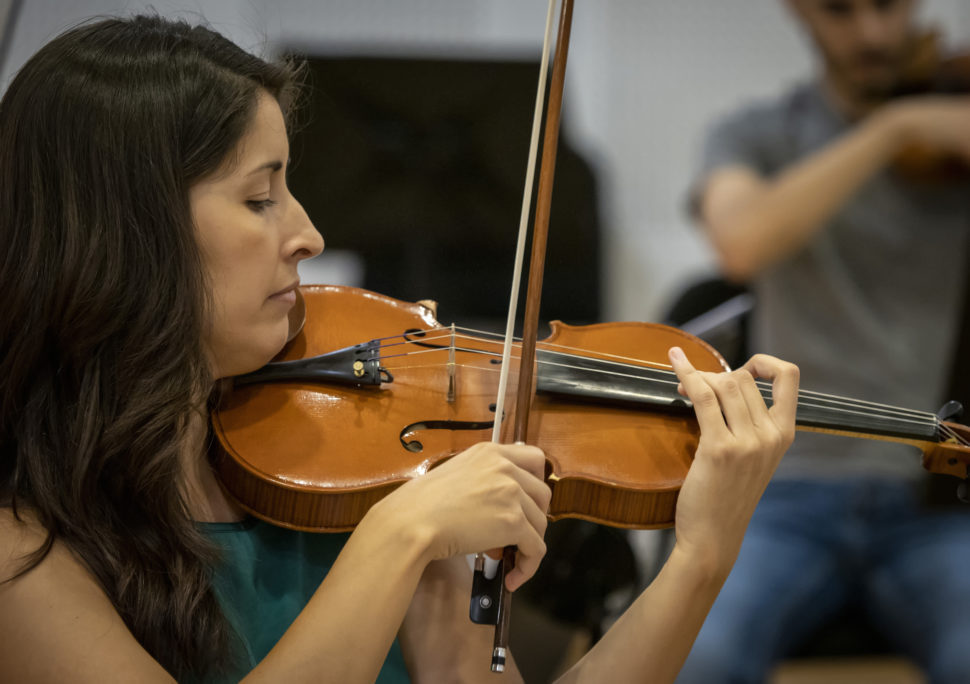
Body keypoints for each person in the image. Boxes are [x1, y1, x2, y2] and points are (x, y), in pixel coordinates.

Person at [0, 14, 799, 684]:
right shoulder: (21, 554)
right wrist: (401, 535)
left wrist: (700, 556)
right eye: (258, 198)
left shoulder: (344, 458)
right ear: (125, 237)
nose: (308, 234)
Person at [678, 0, 970, 682]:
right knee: (700, 657)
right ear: (800, 11)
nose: (870, 33)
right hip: (782, 489)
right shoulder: (756, 134)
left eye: (888, 6)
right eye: (841, 10)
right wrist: (890, 131)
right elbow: (741, 241)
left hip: (941, 496)